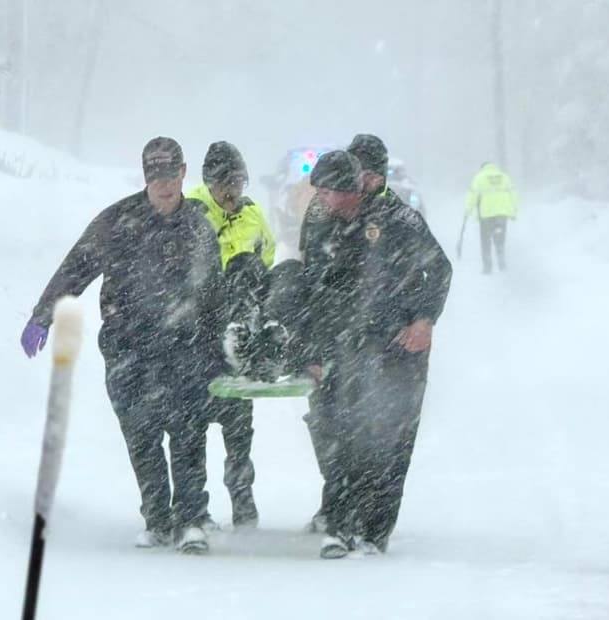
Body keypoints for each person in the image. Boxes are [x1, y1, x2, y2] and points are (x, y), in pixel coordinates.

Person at [19, 137, 226, 554]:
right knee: (142, 434)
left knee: (188, 434)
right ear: (146, 178)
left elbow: (215, 299)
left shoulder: (198, 228)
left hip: (183, 346)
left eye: (171, 175)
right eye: (156, 177)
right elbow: (76, 267)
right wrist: (43, 314)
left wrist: (217, 353)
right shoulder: (117, 222)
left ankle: (190, 520)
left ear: (183, 173)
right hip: (127, 345)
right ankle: (157, 519)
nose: (164, 185)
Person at [294, 148, 452, 559]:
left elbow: (438, 268)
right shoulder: (320, 224)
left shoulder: (398, 221)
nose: (323, 199)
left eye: (331, 192)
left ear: (354, 189)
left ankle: (373, 532)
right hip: (344, 347)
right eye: (320, 191)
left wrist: (424, 319)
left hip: (397, 347)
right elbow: (311, 288)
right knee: (340, 434)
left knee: (387, 440)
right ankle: (341, 522)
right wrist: (309, 348)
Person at [301, 134, 402, 533]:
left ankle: (359, 513)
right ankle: (335, 501)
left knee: (363, 427)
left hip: (373, 340)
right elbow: (311, 263)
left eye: (372, 174)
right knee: (325, 421)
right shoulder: (323, 208)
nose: (365, 181)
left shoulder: (391, 213)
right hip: (330, 330)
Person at [185, 141, 276, 529]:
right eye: (225, 182)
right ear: (209, 182)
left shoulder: (252, 214)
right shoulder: (192, 212)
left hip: (238, 325)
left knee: (239, 425)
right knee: (193, 425)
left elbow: (266, 257)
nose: (232, 189)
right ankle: (195, 508)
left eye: (238, 180)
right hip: (199, 326)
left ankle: (242, 497)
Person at [465, 162, 518, 274]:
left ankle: (487, 267)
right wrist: (514, 212)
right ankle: (501, 258)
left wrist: (467, 212)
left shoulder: (479, 178)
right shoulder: (504, 177)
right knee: (500, 238)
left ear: (482, 168)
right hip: (502, 214)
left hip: (486, 215)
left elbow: (473, 196)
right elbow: (513, 194)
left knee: (486, 240)